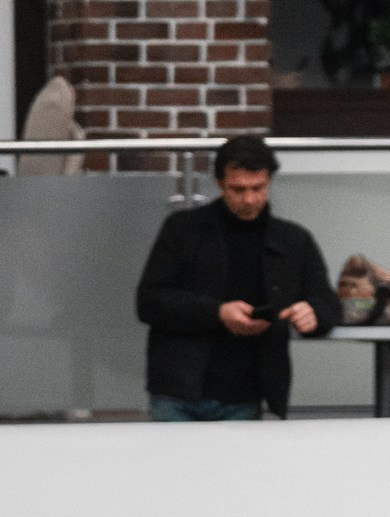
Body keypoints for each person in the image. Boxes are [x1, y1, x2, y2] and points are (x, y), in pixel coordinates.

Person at [134, 136, 338, 422]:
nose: (250, 199)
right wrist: (218, 312)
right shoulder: (182, 230)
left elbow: (328, 302)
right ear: (219, 184)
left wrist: (313, 313)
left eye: (258, 188)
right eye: (238, 189)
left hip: (246, 392)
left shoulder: (293, 240)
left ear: (269, 181)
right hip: (178, 390)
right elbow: (149, 301)